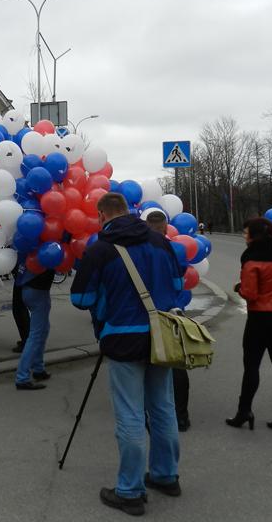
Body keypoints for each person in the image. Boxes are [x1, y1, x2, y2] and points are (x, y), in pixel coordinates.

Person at [71, 193, 183, 516]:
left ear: (102, 215)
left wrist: (107, 300)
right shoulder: (161, 242)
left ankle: (130, 491)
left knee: (130, 413)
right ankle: (165, 475)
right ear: (130, 211)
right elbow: (177, 285)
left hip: (121, 336)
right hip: (161, 336)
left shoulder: (101, 249)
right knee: (163, 408)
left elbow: (81, 298)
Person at [227, 217, 272, 434]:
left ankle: (244, 411)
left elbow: (250, 294)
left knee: (252, 366)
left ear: (254, 237)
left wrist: (239, 288)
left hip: (259, 318)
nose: (244, 236)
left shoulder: (251, 261)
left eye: (247, 233)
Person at [145, 210, 191, 432]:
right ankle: (181, 416)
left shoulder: (139, 250)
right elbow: (179, 282)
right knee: (176, 364)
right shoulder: (176, 249)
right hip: (172, 310)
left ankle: (152, 412)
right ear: (165, 228)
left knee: (149, 363)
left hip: (146, 312)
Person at [13, 263, 55, 390]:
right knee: (36, 334)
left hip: (29, 289)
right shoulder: (44, 252)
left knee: (43, 330)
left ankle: (38, 369)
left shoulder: (30, 253)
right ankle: (22, 377)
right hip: (38, 291)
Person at [10, 263, 30, 353]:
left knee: (19, 311)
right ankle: (26, 339)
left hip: (23, 281)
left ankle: (26, 342)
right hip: (22, 279)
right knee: (20, 311)